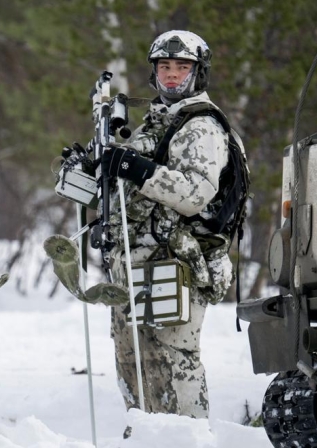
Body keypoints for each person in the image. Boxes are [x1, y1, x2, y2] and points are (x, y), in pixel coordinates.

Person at [98, 30, 247, 421]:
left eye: (182, 68)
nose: (172, 75)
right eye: (165, 67)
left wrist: (137, 168)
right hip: (140, 261)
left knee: (173, 359)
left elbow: (196, 193)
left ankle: (189, 438)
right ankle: (146, 435)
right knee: (134, 358)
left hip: (181, 262)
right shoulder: (157, 121)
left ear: (198, 73)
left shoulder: (203, 125)